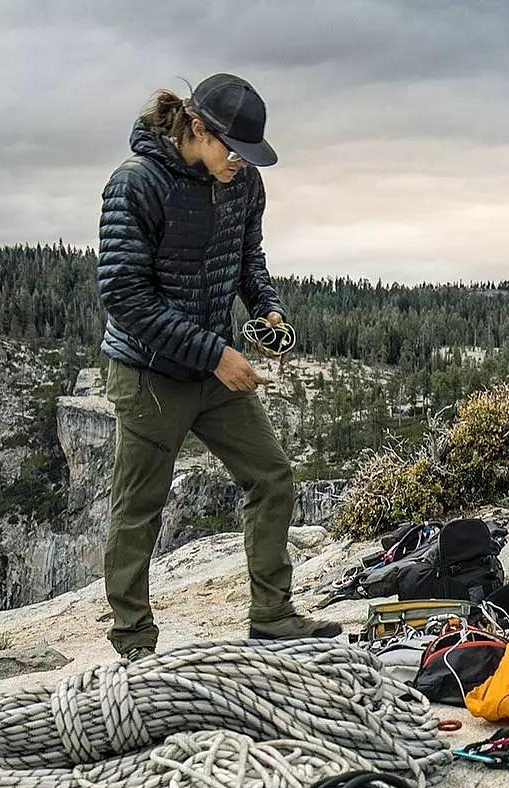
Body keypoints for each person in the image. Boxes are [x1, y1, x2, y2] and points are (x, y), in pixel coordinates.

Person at [97, 73, 341, 660]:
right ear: (197, 128)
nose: (240, 162)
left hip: (213, 368)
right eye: (232, 149)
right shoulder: (136, 183)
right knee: (139, 505)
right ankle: (133, 639)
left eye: (248, 153)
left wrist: (268, 309)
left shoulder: (243, 182)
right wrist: (215, 354)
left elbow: (247, 257)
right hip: (149, 373)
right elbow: (124, 296)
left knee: (271, 475)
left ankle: (273, 616)